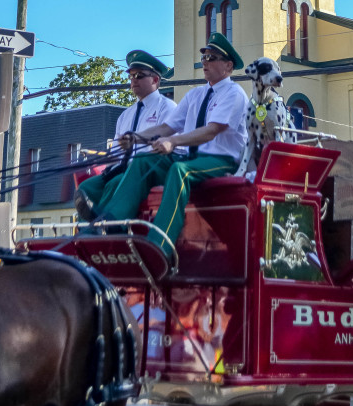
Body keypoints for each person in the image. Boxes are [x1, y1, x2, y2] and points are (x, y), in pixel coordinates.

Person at [93, 32, 248, 260]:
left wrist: (172, 142)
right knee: (143, 160)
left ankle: (160, 245)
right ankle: (113, 223)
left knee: (179, 171)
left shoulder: (234, 93)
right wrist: (136, 137)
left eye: (212, 58)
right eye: (204, 57)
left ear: (228, 65)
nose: (205, 62)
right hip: (192, 158)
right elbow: (167, 127)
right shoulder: (196, 94)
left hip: (221, 161)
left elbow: (212, 130)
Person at [74, 49, 176, 222]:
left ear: (155, 79)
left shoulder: (167, 108)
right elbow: (115, 153)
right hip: (122, 169)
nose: (134, 80)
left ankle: (105, 230)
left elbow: (170, 148)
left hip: (148, 171)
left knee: (115, 183)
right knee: (86, 187)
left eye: (140, 76)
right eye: (131, 76)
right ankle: (84, 237)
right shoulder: (125, 115)